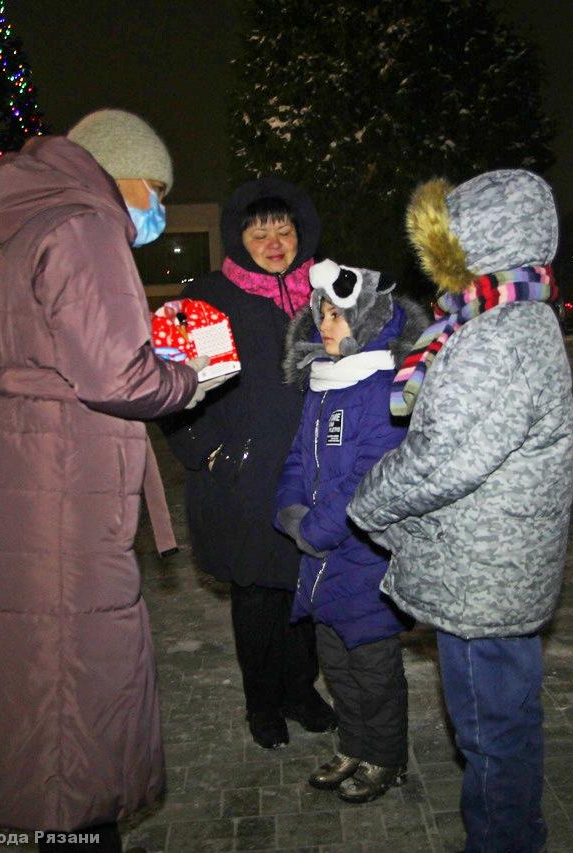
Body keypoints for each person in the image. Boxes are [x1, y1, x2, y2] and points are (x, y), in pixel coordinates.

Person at [0, 109, 225, 851]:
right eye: (155, 188)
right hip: (56, 484)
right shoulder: (87, 226)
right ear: (119, 173)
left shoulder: (20, 232)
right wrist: (189, 379)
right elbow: (114, 374)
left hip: (4, 476)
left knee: (22, 681)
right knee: (75, 686)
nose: (157, 206)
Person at [347, 170, 573, 852]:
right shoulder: (508, 319)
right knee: (501, 726)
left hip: (484, 580)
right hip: (497, 566)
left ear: (474, 245)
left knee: (491, 736)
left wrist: (369, 497)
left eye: (445, 247)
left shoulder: (496, 337)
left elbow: (445, 457)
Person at [161, 176, 336, 750]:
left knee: (304, 590)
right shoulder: (209, 296)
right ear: (239, 237)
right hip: (244, 478)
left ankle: (301, 692)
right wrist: (209, 452)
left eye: (283, 227)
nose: (273, 239)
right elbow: (174, 389)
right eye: (259, 229)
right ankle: (263, 704)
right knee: (259, 596)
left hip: (309, 476)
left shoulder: (323, 298)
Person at [274, 259, 427, 803]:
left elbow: (369, 476)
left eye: (337, 315)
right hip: (320, 560)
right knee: (336, 664)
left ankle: (386, 757)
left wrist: (315, 528)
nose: (325, 325)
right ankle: (353, 744)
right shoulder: (323, 384)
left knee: (375, 670)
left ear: (366, 320)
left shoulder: (383, 387)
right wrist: (288, 509)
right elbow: (297, 457)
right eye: (320, 314)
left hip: (365, 559)